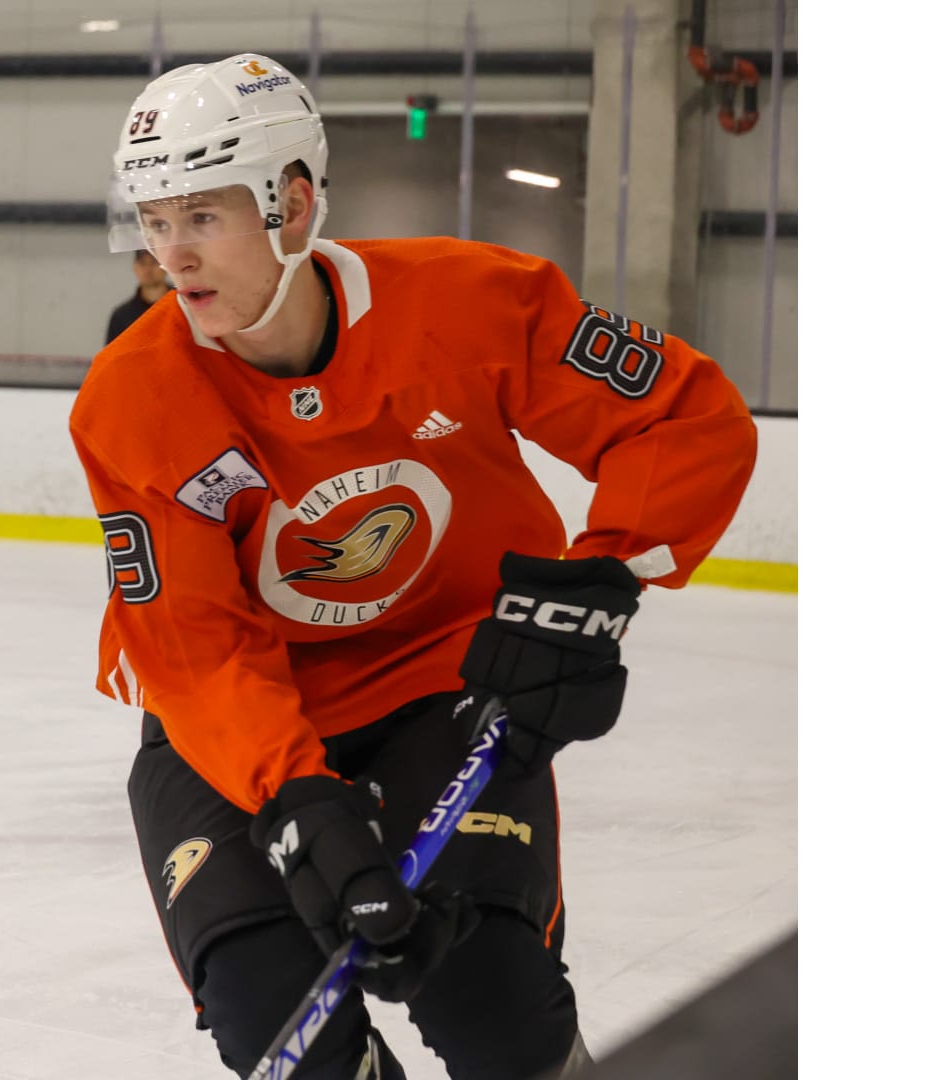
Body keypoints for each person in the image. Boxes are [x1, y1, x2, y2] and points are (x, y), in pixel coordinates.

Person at [69, 54, 756, 1080]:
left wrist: (600, 583)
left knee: (495, 1007)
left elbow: (681, 416)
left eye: (202, 218)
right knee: (279, 1028)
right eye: (155, 221)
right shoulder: (133, 399)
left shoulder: (468, 303)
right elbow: (197, 650)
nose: (174, 255)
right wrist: (299, 804)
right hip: (238, 727)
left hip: (441, 688)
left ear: (292, 206)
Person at [107, 247, 174, 343]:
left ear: (166, 266)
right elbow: (111, 356)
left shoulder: (185, 307)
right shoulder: (121, 316)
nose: (148, 269)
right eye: (142, 263)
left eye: (154, 263)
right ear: (135, 267)